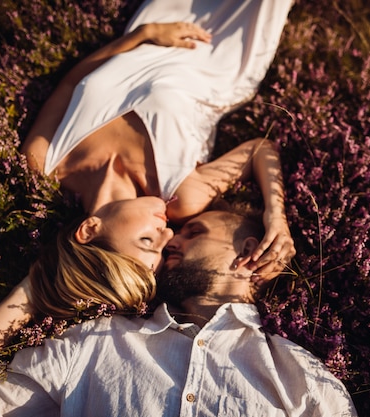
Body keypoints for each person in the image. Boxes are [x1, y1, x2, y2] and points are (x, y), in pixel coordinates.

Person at [0, 205, 358, 416]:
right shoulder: (90, 345)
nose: (171, 241)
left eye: (193, 232)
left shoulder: (300, 377)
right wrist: (37, 285)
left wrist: (276, 209)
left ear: (248, 254)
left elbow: (260, 148)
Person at [20, 0, 297, 279]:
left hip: (165, 16)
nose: (166, 234)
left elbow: (70, 83)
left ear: (90, 228)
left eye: (147, 242)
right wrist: (275, 216)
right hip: (227, 51)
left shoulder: (43, 160)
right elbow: (259, 149)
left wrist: (143, 34)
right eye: (163, 250)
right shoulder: (180, 196)